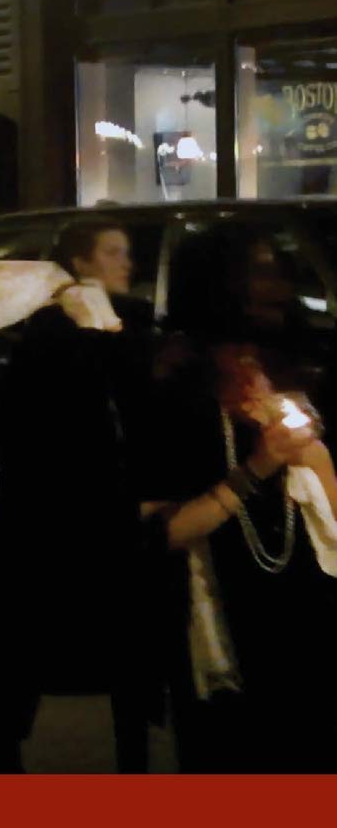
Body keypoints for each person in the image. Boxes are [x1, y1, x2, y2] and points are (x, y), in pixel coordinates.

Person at [139, 226, 337, 772]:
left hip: (306, 628)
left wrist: (309, 451)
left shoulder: (294, 378)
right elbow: (164, 533)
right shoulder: (175, 395)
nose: (278, 288)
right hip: (224, 626)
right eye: (260, 273)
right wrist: (259, 468)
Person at [0, 215, 156, 772]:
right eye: (113, 252)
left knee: (123, 646)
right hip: (55, 518)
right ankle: (4, 746)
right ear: (81, 263)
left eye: (126, 252)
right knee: (36, 639)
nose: (126, 263)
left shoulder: (126, 323)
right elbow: (36, 422)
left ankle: (132, 759)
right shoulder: (51, 331)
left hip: (108, 510)